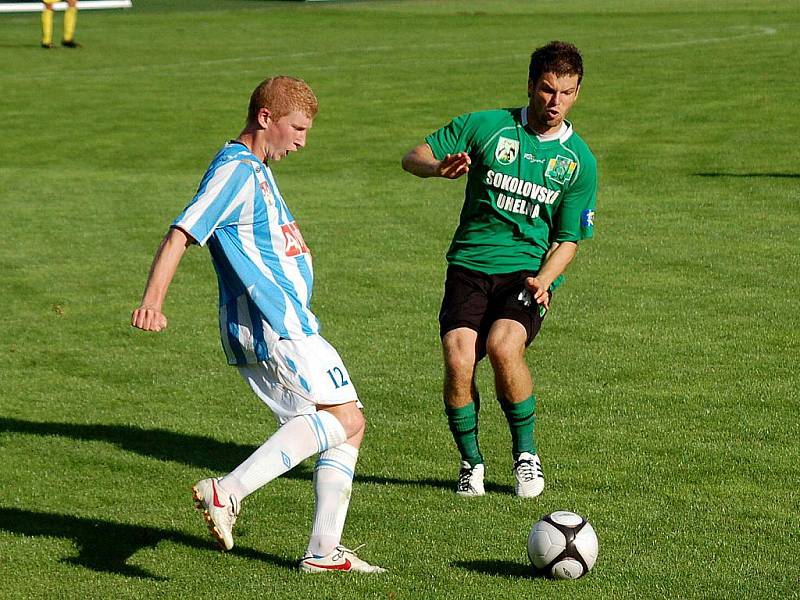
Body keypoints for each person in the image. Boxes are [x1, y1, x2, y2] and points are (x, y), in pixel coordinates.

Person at [131, 76, 384, 573]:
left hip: (292, 323)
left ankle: (322, 552)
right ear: (266, 119)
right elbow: (182, 232)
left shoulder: (256, 168)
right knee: (345, 420)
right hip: (275, 326)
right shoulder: (235, 171)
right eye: (297, 128)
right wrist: (152, 302)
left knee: (343, 426)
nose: (302, 141)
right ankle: (227, 492)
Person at [401, 41, 597, 498]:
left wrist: (545, 280)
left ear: (577, 93)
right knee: (458, 358)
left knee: (505, 346)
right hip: (469, 266)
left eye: (567, 93)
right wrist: (437, 169)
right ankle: (471, 463)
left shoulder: (578, 161)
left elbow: (568, 240)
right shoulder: (486, 126)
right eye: (548, 90)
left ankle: (525, 455)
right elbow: (413, 157)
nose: (555, 103)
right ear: (530, 85)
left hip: (526, 273)